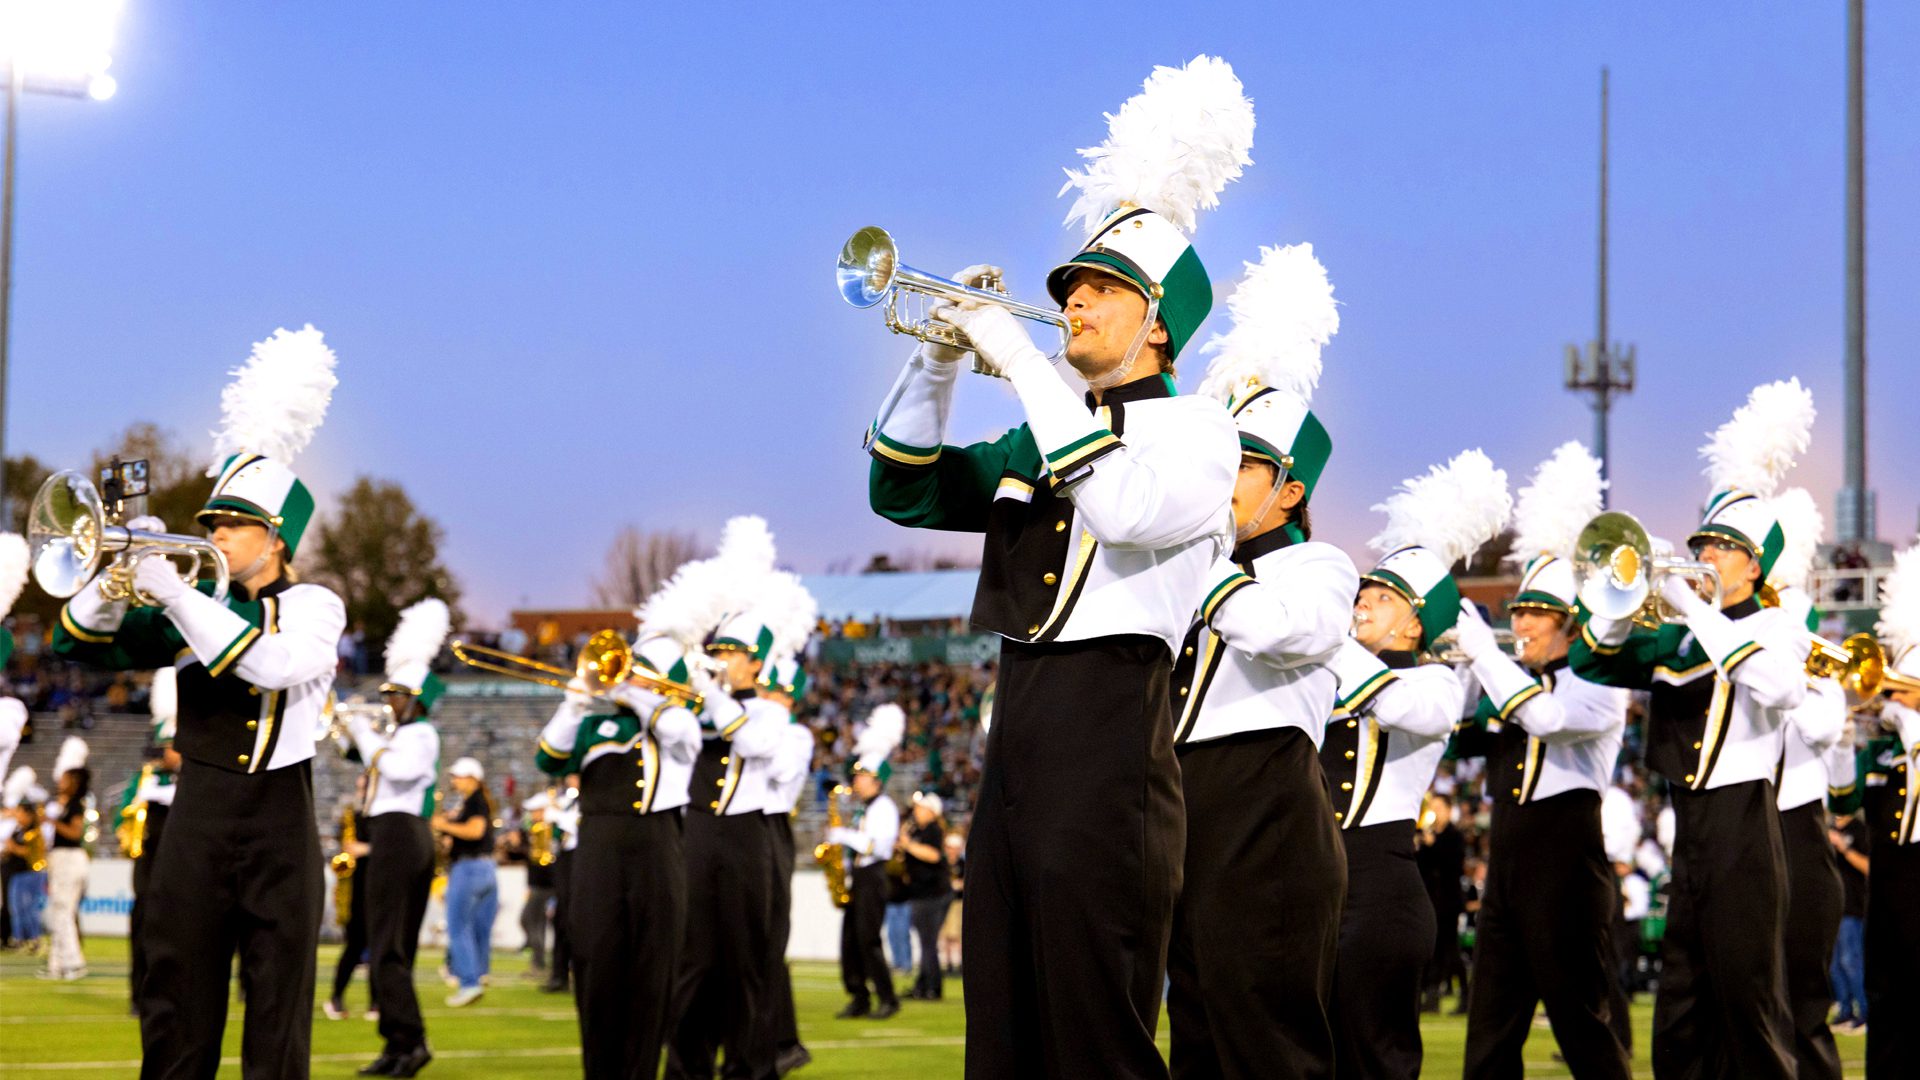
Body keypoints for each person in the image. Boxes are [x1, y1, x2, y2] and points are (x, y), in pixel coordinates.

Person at [863, 56, 1250, 1079]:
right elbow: (901, 491)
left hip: (1114, 732)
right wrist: (940, 358)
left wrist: (1023, 362)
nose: (1074, 301)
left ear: (1158, 318)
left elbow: (1121, 505)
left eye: (1102, 288)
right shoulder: (1045, 435)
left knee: (1096, 1036)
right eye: (1072, 285)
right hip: (1022, 724)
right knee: (1003, 1030)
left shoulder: (1202, 434)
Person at [1570, 380, 1816, 1079]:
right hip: (1691, 828)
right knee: (1681, 1010)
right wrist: (1627, 598)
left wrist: (1690, 606)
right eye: (1702, 540)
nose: (1705, 553)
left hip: (1745, 825)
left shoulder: (1779, 625)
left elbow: (1781, 687)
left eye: (1724, 546)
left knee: (1751, 1003)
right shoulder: (1679, 641)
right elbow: (1593, 660)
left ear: (1755, 564)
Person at [1162, 242, 1351, 1080]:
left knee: (1267, 1040)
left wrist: (1198, 553)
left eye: (1240, 466)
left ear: (1290, 490)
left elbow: (1280, 632)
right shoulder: (1198, 567)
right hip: (1185, 800)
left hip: (1267, 805)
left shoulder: (1322, 566)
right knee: (1197, 1031)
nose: (1218, 481)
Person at [1446, 441, 1633, 1079]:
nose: (1522, 624)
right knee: (1489, 1032)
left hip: (1567, 859)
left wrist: (1485, 654)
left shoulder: (1601, 685)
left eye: (1536, 614)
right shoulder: (1507, 679)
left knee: (1582, 1023)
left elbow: (1546, 718)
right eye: (1519, 610)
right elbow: (1461, 736)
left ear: (1569, 623)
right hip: (1509, 849)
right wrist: (1470, 667)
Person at [1323, 448, 1508, 1080]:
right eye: (1365, 588)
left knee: (1377, 1059)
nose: (1363, 601)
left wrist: (1316, 629)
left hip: (1378, 887)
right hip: (1312, 877)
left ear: (1414, 626)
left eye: (1384, 595)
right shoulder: (1327, 669)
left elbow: (1387, 698)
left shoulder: (1438, 685)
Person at [662, 520, 812, 1080]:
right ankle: (685, 1067)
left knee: (749, 962)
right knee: (693, 961)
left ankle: (751, 1066)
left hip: (749, 837)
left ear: (756, 663)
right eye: (717, 649)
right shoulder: (697, 706)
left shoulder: (770, 712)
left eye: (733, 652)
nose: (721, 658)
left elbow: (754, 740)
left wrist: (710, 695)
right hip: (699, 835)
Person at [535, 630, 702, 1080]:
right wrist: (574, 701)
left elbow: (678, 729)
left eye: (643, 671)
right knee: (595, 967)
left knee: (653, 971)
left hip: (657, 847)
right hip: (598, 850)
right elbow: (548, 757)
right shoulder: (595, 726)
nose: (627, 678)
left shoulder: (679, 723)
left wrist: (631, 687)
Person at [343, 598, 450, 1077]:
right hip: (394, 834)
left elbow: (397, 769)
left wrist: (364, 734)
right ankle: (396, 1042)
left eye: (398, 697)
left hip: (402, 835)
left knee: (388, 946)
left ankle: (412, 1042)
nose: (389, 703)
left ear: (417, 699)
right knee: (386, 946)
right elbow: (362, 757)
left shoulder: (420, 735)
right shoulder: (402, 733)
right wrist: (351, 731)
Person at [1832, 540, 1920, 1077]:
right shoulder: (1884, 747)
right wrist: (1843, 743)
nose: (1891, 696)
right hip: (1887, 879)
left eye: (1903, 688)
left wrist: (1906, 718)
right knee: (1885, 991)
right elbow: (1843, 805)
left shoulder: (1907, 738)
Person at [760, 657, 818, 1076]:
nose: (758, 696)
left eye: (767, 691)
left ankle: (784, 1041)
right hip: (736, 828)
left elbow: (778, 770)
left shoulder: (795, 734)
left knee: (767, 939)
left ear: (785, 696)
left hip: (769, 830)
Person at [828, 707, 905, 1020]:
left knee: (868, 939)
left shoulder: (884, 807)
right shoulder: (863, 809)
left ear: (875, 780)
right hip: (858, 876)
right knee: (849, 941)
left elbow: (879, 845)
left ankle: (887, 998)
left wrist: (843, 835)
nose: (856, 780)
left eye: (861, 776)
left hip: (873, 876)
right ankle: (858, 996)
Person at [123, 669, 180, 1018]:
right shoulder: (144, 784)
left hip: (184, 834)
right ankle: (139, 992)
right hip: (154, 838)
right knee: (145, 917)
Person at [433, 757, 497, 1008]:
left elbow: (475, 831)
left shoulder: (475, 800)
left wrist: (443, 825)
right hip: (486, 867)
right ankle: (479, 974)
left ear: (473, 778)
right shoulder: (476, 801)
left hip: (469, 868)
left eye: (459, 776)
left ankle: (468, 983)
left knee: (458, 927)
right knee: (478, 927)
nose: (454, 780)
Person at [42, 736, 92, 981]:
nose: (60, 780)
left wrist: (52, 822)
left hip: (70, 858)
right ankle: (57, 964)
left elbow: (75, 833)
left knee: (64, 911)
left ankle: (74, 961)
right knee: (58, 911)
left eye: (65, 777)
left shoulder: (76, 805)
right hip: (61, 858)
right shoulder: (65, 804)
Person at [325, 784, 373, 1022]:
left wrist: (368, 849)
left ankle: (376, 1003)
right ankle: (335, 998)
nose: (361, 790)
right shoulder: (352, 815)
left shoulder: (382, 817)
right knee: (354, 947)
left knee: (377, 947)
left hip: (376, 886)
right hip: (354, 889)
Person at [899, 791, 952, 1002]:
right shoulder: (920, 830)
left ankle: (932, 987)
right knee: (925, 942)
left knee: (928, 942)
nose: (916, 811)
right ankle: (923, 985)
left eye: (921, 808)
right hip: (922, 892)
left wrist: (907, 844)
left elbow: (933, 855)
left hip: (933, 894)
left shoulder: (933, 830)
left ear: (932, 811)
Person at [1826, 804, 1869, 1034]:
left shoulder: (1860, 830)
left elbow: (1869, 867)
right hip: (1831, 909)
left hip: (1852, 908)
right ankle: (1845, 1010)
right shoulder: (1827, 828)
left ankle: (1864, 1011)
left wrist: (1844, 849)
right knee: (1834, 966)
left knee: (1851, 961)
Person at [518, 791, 557, 978]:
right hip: (538, 884)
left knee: (532, 921)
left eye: (536, 810)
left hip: (544, 885)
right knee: (533, 922)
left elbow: (542, 859)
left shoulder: (547, 830)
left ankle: (539, 964)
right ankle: (539, 962)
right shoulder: (536, 830)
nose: (532, 814)